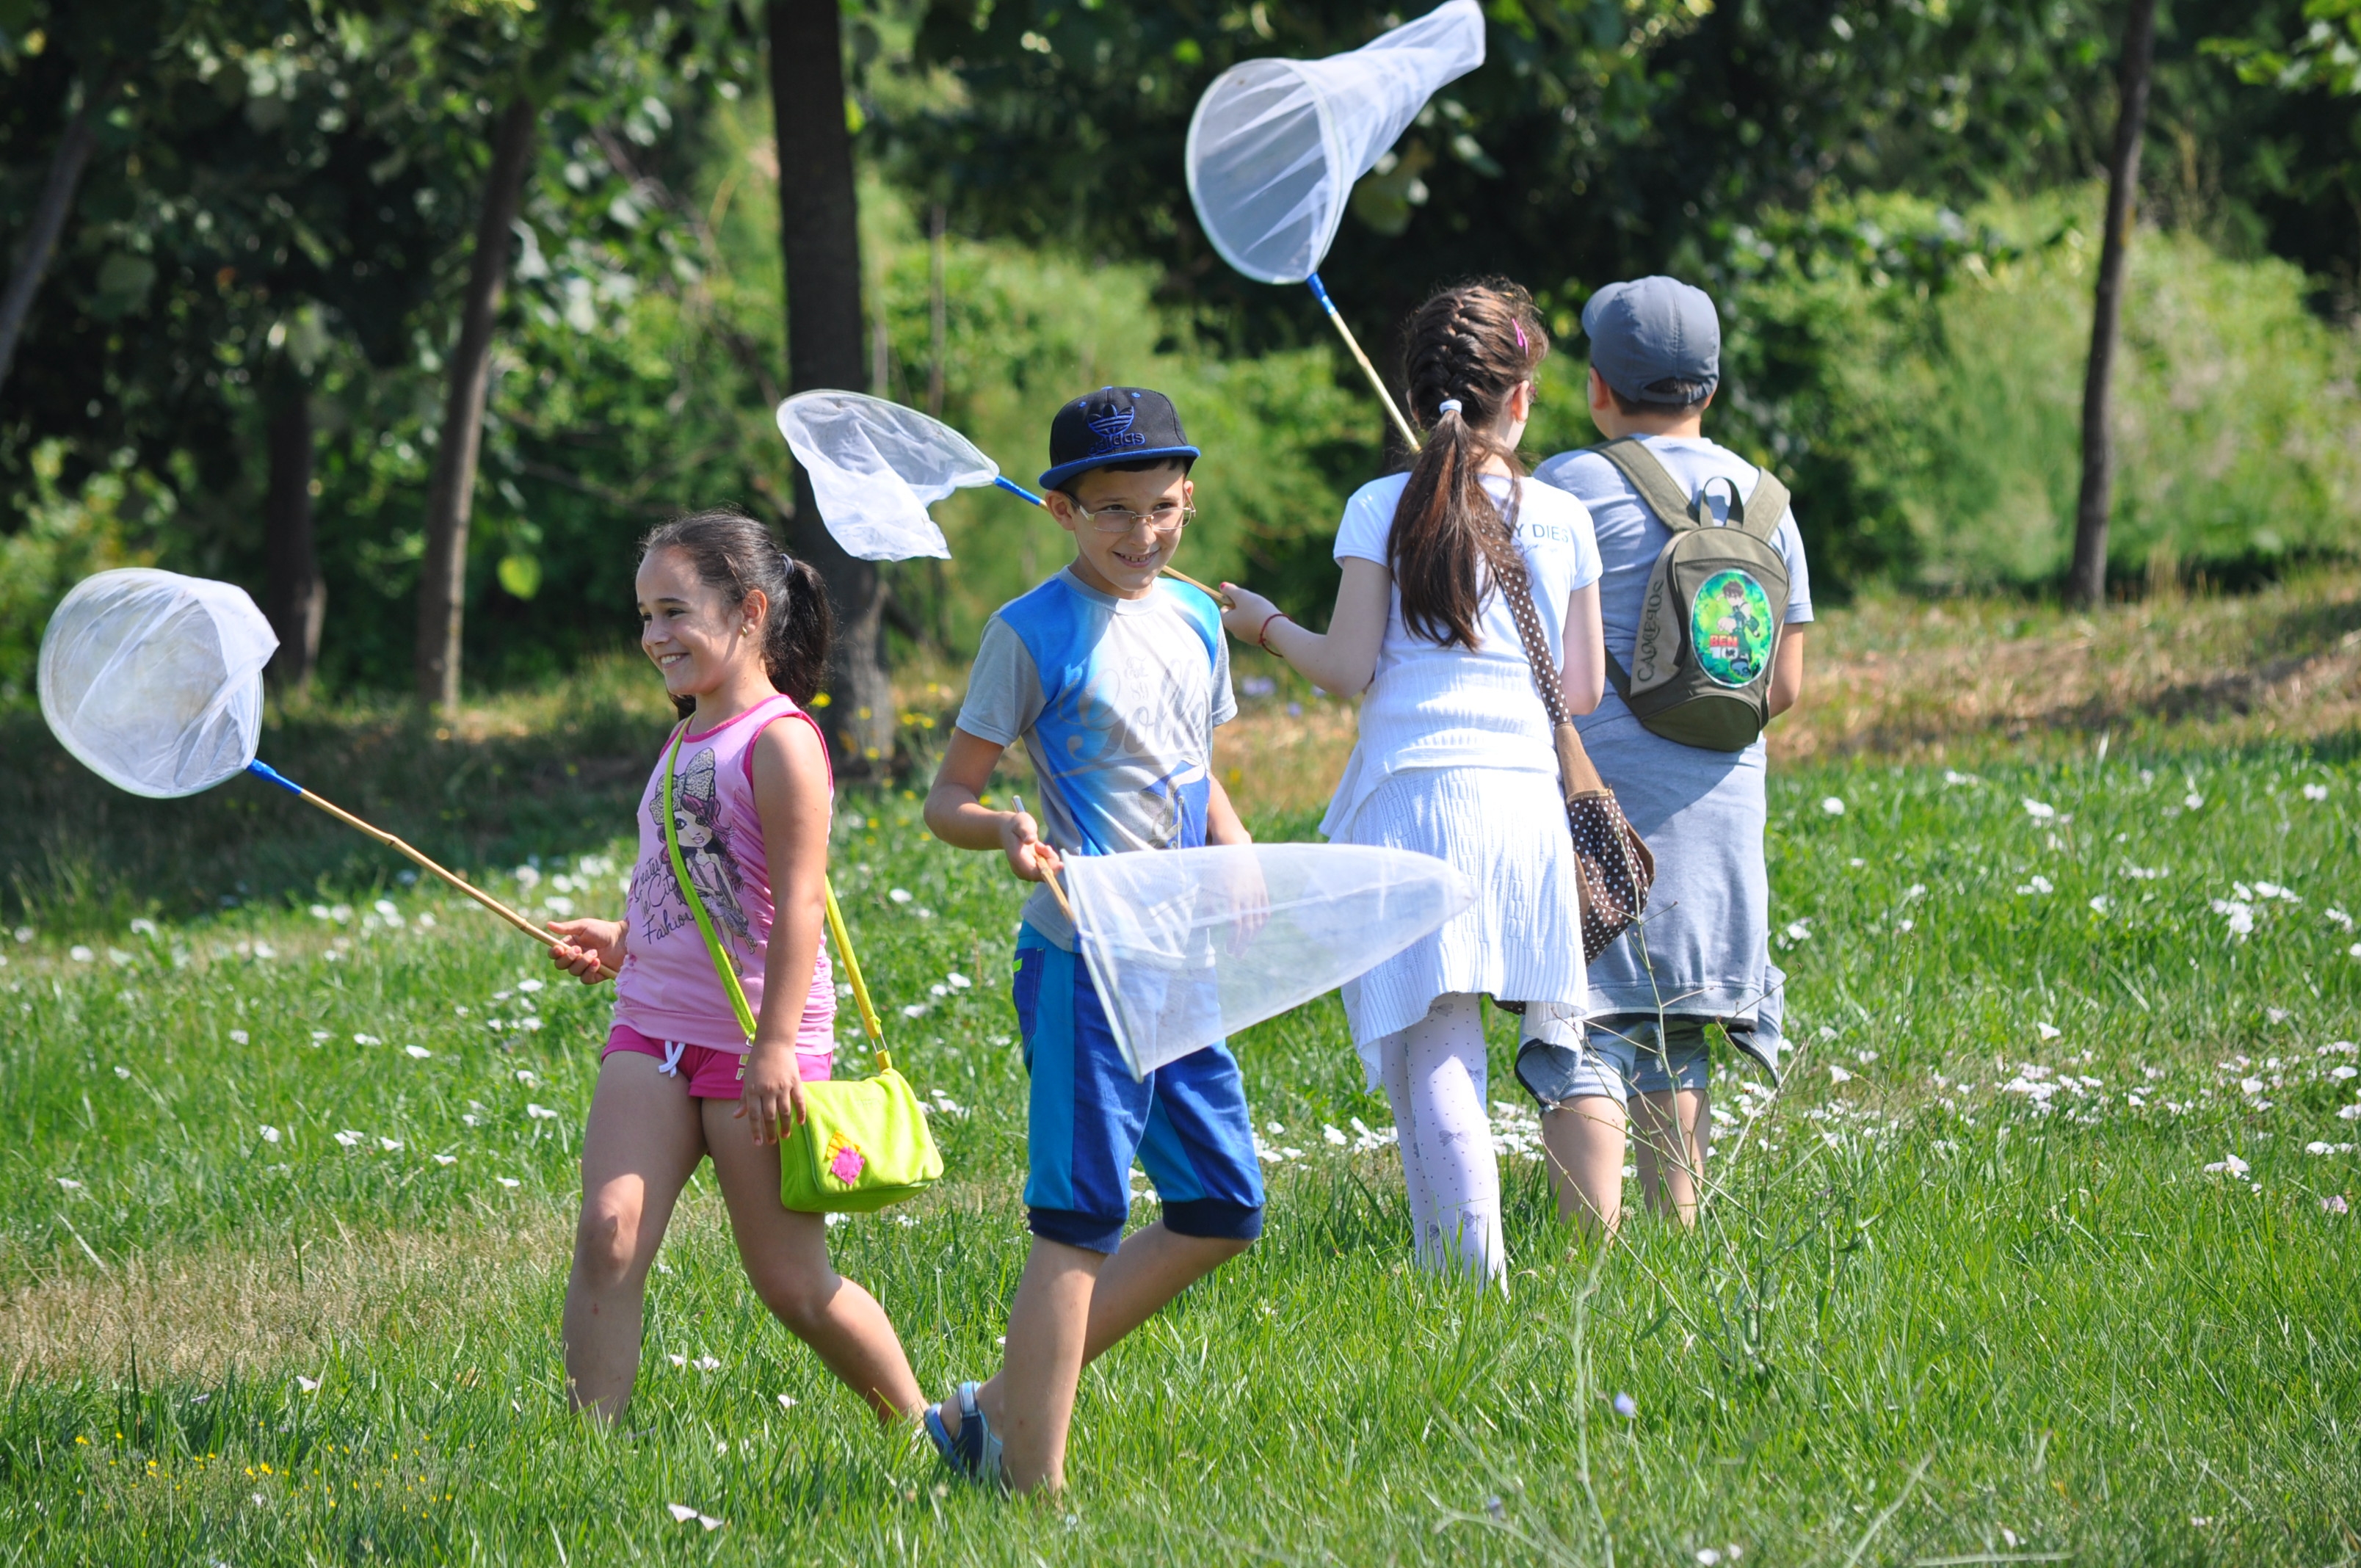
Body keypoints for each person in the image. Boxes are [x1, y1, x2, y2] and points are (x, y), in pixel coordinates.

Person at [1214, 280, 1611, 1280]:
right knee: (1471, 1037)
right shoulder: (1564, 515)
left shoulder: (1378, 505)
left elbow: (1349, 669)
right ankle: (1467, 1272)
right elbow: (1585, 688)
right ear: (1519, 399)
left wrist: (1263, 624)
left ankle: (1471, 1276)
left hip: (1412, 803)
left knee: (1435, 1042)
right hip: (1523, 805)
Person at [920, 388, 1265, 1494]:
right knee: (1080, 1219)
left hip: (1181, 958)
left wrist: (1240, 847)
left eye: (1162, 508)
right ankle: (1032, 1488)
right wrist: (1006, 832)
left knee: (1220, 1206)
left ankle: (999, 1410)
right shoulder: (1029, 632)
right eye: (1113, 511)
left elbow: (1192, 766)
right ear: (1063, 511)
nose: (1142, 534)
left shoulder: (1200, 618)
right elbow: (948, 799)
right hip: (1080, 960)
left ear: (1189, 501)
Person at [544, 509, 925, 1424]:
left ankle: (926, 1428)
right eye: (644, 616)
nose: (653, 637)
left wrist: (778, 1046)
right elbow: (695, 878)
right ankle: (587, 1455)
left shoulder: (781, 740)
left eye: (674, 612)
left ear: (750, 611)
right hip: (652, 1026)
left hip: (757, 1043)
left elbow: (797, 905)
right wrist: (626, 938)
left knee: (793, 1285)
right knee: (608, 1235)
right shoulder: (683, 736)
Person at [1531, 276, 1813, 1227]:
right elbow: (1784, 688)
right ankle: (1677, 1228)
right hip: (1723, 814)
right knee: (1677, 1025)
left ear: (1599, 388)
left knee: (1585, 1023)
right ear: (1712, 388)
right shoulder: (1769, 506)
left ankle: (1589, 1251)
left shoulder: (1572, 484)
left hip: (1602, 803)